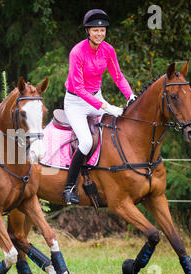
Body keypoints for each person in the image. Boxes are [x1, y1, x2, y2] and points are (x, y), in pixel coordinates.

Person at [62, 9, 137, 204]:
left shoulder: (108, 50)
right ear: (87, 31)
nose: (99, 34)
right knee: (86, 141)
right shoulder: (77, 52)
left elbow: (118, 77)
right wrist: (106, 106)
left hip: (96, 96)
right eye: (95, 30)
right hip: (76, 102)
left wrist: (130, 96)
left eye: (102, 30)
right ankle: (69, 187)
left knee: (119, 127)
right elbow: (78, 88)